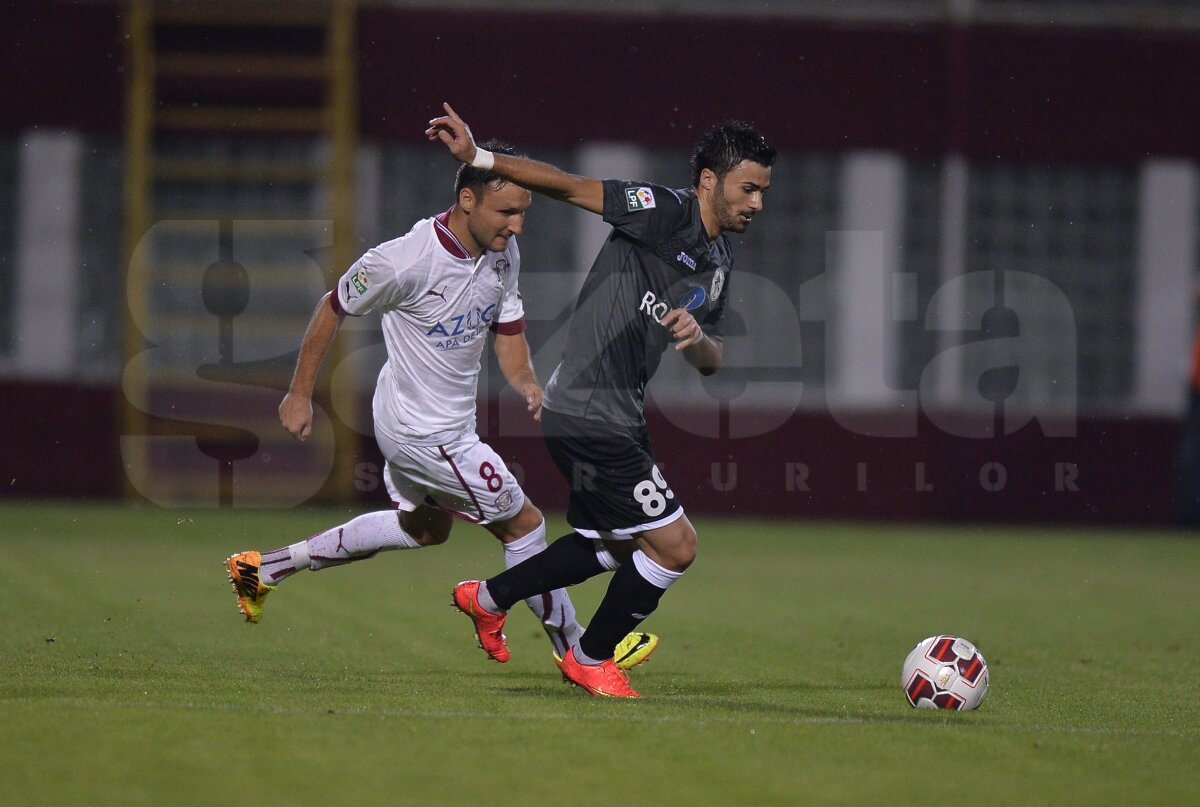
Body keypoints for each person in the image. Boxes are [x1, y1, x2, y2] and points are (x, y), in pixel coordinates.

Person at [224, 141, 659, 673]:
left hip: (416, 420)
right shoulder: (403, 260)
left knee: (424, 529)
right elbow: (332, 305)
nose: (517, 226)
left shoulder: (502, 252)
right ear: (468, 200)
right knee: (524, 525)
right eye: (507, 212)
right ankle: (580, 648)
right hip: (427, 433)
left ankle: (262, 569)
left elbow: (507, 329)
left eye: (524, 213)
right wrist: (298, 393)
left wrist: (525, 379)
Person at [428, 104, 776, 698]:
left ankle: (486, 599)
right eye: (748, 189)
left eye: (763, 192)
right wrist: (478, 158)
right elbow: (566, 185)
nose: (757, 204)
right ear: (710, 181)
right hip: (589, 409)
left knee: (612, 545)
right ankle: (589, 656)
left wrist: (696, 338)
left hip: (616, 413)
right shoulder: (663, 211)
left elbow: (712, 360)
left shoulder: (719, 261)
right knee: (675, 545)